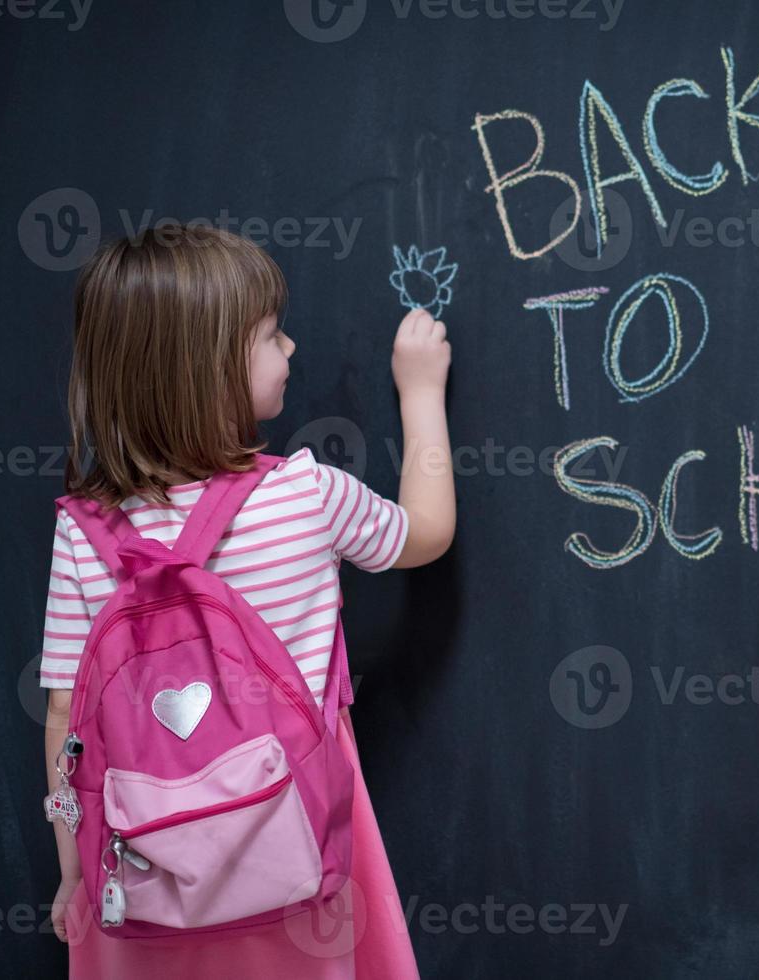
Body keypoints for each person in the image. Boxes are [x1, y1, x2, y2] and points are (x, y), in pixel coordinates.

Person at [39, 223, 453, 977]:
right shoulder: (304, 495)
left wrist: (74, 874)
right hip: (296, 853)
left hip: (140, 877)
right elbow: (425, 534)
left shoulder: (83, 532)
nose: (291, 349)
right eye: (273, 335)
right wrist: (422, 391)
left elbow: (67, 722)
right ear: (210, 370)